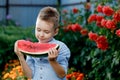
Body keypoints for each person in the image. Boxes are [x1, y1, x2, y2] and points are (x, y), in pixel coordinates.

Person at [14, 6, 71, 80]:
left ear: (55, 31)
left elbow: (62, 75)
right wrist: (20, 57)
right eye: (38, 30)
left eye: (46, 32)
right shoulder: (32, 48)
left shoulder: (61, 47)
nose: (41, 35)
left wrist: (52, 61)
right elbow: (29, 75)